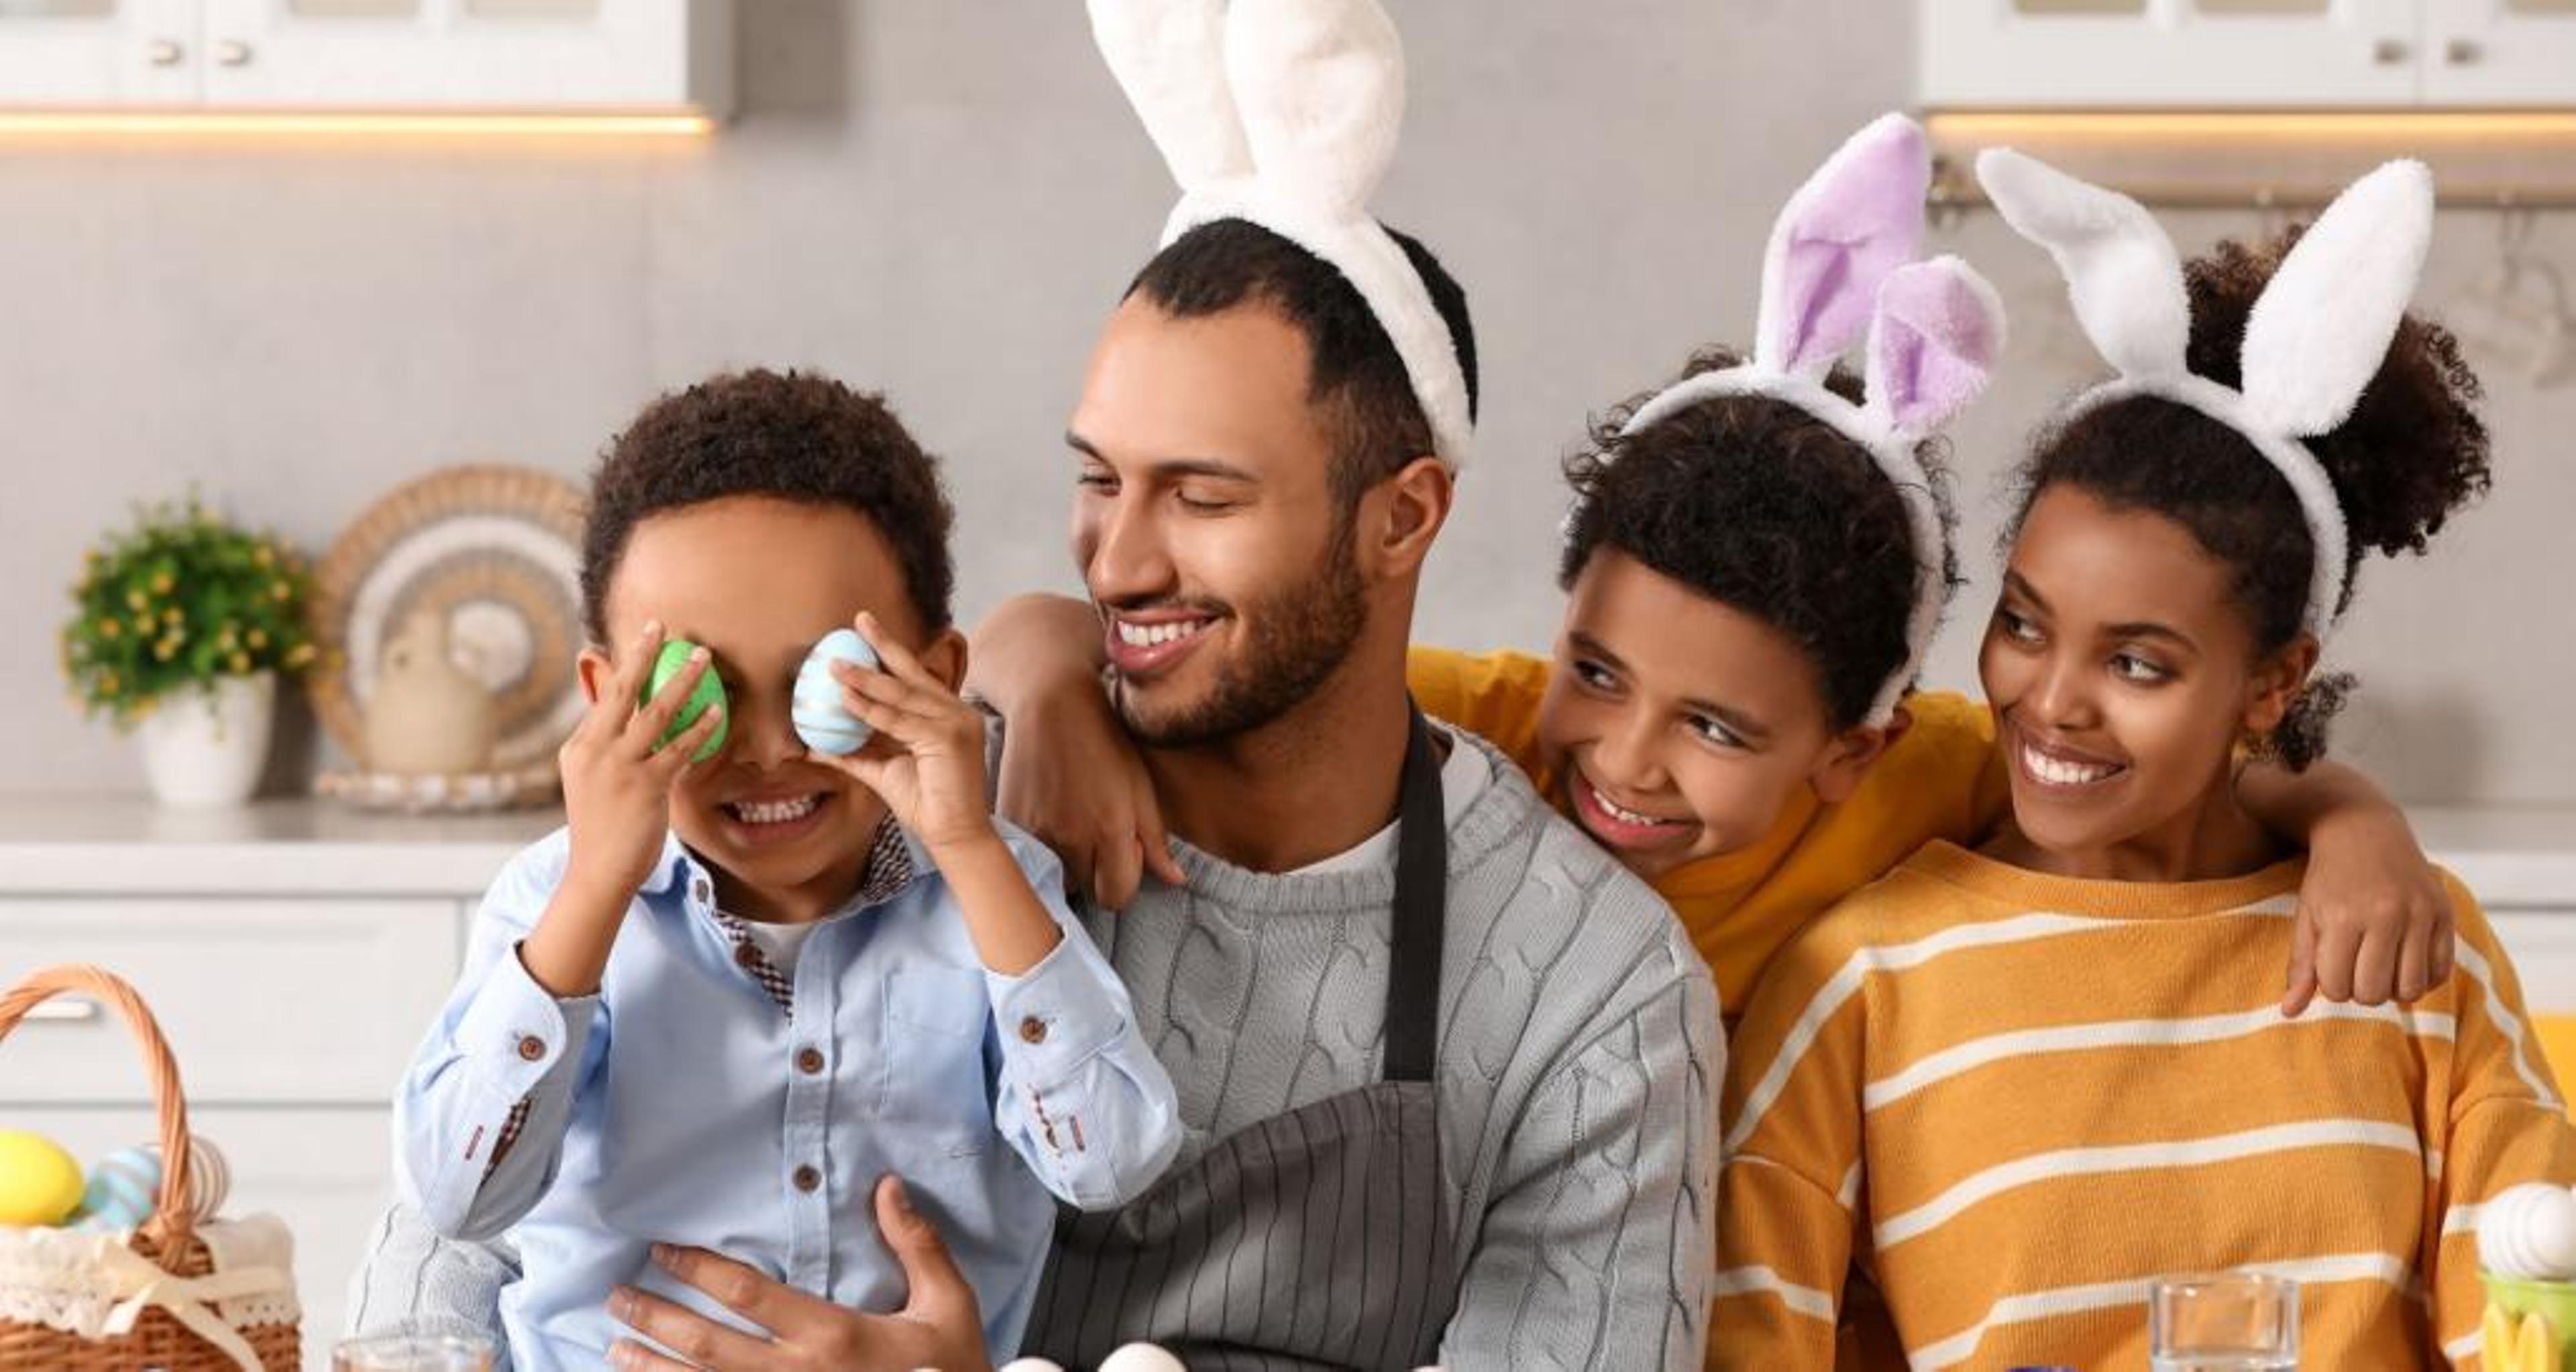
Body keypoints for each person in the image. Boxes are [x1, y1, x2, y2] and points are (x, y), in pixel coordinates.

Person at [358, 3, 1720, 1368]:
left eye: (1202, 496)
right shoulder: (921, 782)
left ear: (1402, 518)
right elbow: (453, 1233)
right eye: (1097, 479)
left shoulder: (1590, 990)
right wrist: (1034, 663)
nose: (1115, 565)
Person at [1710, 152, 2576, 1369]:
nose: (2049, 702)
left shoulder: (2407, 942)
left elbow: (2535, 1311)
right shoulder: (1862, 981)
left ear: (2272, 682)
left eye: (2139, 664)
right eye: (2022, 622)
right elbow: (1751, 1341)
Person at [389, 370, 1180, 1370]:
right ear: (607, 696)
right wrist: (596, 888)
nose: (766, 747)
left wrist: (970, 850)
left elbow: (1109, 1163)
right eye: (701, 691)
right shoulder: (552, 902)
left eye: (825, 688)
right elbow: (459, 1199)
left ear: (934, 679)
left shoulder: (996, 886)